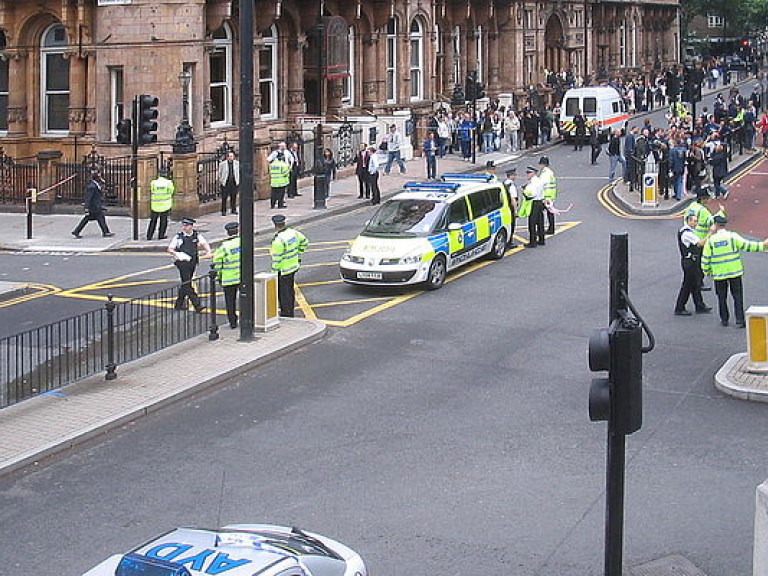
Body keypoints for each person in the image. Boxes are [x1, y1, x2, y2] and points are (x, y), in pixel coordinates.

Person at [701, 215, 768, 327]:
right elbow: (747, 246)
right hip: (734, 272)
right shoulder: (732, 237)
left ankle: (724, 320)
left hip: (719, 274)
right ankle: (740, 321)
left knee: (722, 297)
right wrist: (763, 246)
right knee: (737, 297)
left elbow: (705, 258)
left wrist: (706, 271)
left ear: (715, 226)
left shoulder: (711, 241)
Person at [167, 217, 212, 312]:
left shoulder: (196, 235)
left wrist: (208, 251)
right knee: (187, 283)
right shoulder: (178, 237)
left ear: (191, 226)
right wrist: (177, 254)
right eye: (183, 225)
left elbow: (204, 243)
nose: (184, 227)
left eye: (186, 225)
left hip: (193, 262)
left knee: (185, 282)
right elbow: (170, 249)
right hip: (182, 263)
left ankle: (179, 304)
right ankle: (197, 304)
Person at [674, 212, 712, 316]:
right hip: (689, 262)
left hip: (690, 261)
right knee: (687, 285)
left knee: (695, 284)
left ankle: (699, 305)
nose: (696, 223)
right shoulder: (687, 233)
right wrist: (710, 233)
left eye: (696, 221)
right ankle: (679, 307)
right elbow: (700, 243)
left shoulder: (685, 230)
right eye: (694, 221)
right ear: (688, 221)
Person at [270, 214, 308, 318]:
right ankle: (290, 309)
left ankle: (286, 314)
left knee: (283, 293)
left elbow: (277, 259)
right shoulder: (293, 232)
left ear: (275, 225)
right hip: (293, 267)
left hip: (283, 270)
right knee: (290, 290)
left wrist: (274, 272)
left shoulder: (278, 240)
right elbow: (304, 242)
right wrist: (298, 253)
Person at [213, 221, 241, 329]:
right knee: (246, 299)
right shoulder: (243, 241)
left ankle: (233, 322)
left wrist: (218, 277)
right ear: (237, 230)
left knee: (230, 301)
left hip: (228, 279)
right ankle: (248, 318)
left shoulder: (223, 247)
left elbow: (218, 265)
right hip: (242, 276)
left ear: (227, 233)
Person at [72, 170, 114, 238]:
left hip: (95, 206)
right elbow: (88, 198)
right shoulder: (92, 186)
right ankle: (106, 232)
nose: (101, 178)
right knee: (99, 218)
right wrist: (86, 208)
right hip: (94, 207)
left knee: (92, 219)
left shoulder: (95, 184)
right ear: (96, 178)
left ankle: (76, 231)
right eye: (100, 176)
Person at [146, 169, 174, 241]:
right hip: (165, 204)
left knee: (153, 221)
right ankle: (161, 235)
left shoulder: (154, 183)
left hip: (155, 205)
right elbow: (171, 191)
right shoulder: (168, 183)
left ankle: (149, 235)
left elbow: (152, 191)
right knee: (163, 221)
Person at [522, 165, 545, 247]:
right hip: (540, 202)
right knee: (540, 222)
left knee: (532, 223)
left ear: (533, 173)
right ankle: (541, 239)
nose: (527, 175)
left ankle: (533, 242)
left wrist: (524, 192)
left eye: (529, 173)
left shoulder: (533, 183)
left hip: (534, 203)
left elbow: (531, 194)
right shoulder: (539, 181)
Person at [539, 156, 558, 235]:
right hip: (551, 195)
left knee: (539, 213)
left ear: (543, 164)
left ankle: (542, 230)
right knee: (550, 213)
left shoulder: (545, 174)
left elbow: (542, 185)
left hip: (546, 196)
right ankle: (551, 228)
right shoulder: (549, 172)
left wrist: (545, 197)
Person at [217, 150, 239, 216]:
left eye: (232, 156)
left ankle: (233, 209)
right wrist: (221, 180)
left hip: (234, 182)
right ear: (227, 157)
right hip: (226, 183)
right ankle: (223, 210)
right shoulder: (222, 164)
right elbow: (219, 173)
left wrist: (238, 180)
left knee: (233, 197)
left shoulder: (237, 163)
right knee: (224, 197)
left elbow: (239, 172)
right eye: (229, 156)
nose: (230, 157)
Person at [502, 167, 519, 248]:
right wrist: (515, 211)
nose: (516, 176)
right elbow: (513, 199)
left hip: (504, 207)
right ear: (511, 176)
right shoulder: (511, 185)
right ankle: (510, 242)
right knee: (511, 225)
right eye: (515, 175)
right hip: (510, 208)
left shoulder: (504, 183)